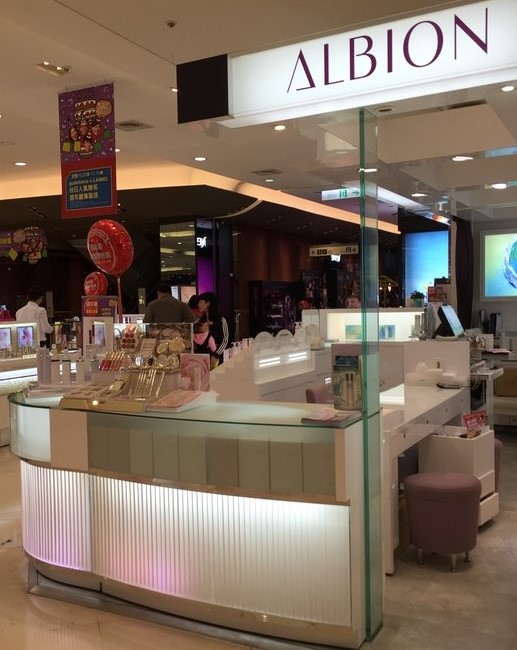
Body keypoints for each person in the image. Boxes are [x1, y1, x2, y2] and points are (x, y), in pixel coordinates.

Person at [197, 291, 229, 365]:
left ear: (208, 303)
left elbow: (225, 340)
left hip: (217, 359)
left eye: (200, 302)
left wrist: (216, 355)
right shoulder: (200, 321)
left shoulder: (221, 320)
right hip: (202, 359)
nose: (198, 305)